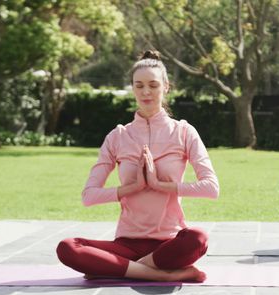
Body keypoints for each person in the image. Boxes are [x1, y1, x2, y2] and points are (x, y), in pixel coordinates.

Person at [56, 50, 219, 282]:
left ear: (166, 87)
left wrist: (159, 184)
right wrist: (132, 187)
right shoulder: (118, 136)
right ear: (132, 87)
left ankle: (125, 269)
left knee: (198, 238)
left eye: (153, 85)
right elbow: (88, 196)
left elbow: (211, 188)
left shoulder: (184, 132)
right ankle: (162, 276)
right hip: (126, 244)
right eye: (139, 85)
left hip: (169, 244)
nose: (145, 92)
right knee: (68, 247)